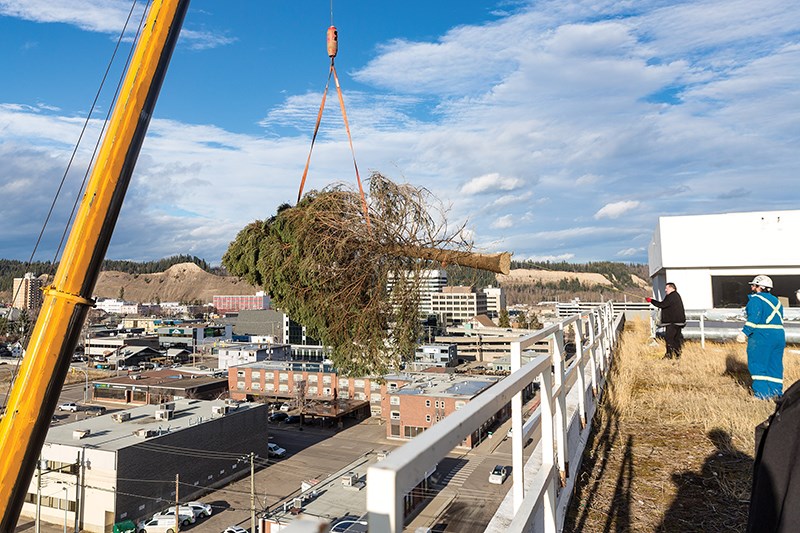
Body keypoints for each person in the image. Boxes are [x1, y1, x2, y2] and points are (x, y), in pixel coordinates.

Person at [736, 275, 785, 399]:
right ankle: (776, 393)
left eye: (754, 285)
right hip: (779, 335)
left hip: (762, 336)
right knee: (774, 364)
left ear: (759, 287)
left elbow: (754, 319)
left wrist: (744, 333)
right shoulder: (777, 301)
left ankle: (762, 394)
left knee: (758, 363)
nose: (752, 287)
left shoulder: (756, 300)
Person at [647, 282, 686, 359]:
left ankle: (669, 355)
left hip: (672, 322)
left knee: (669, 339)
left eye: (666, 288)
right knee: (676, 339)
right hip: (679, 322)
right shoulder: (676, 295)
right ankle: (677, 355)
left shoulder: (671, 296)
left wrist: (651, 301)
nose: (665, 290)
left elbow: (662, 305)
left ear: (672, 288)